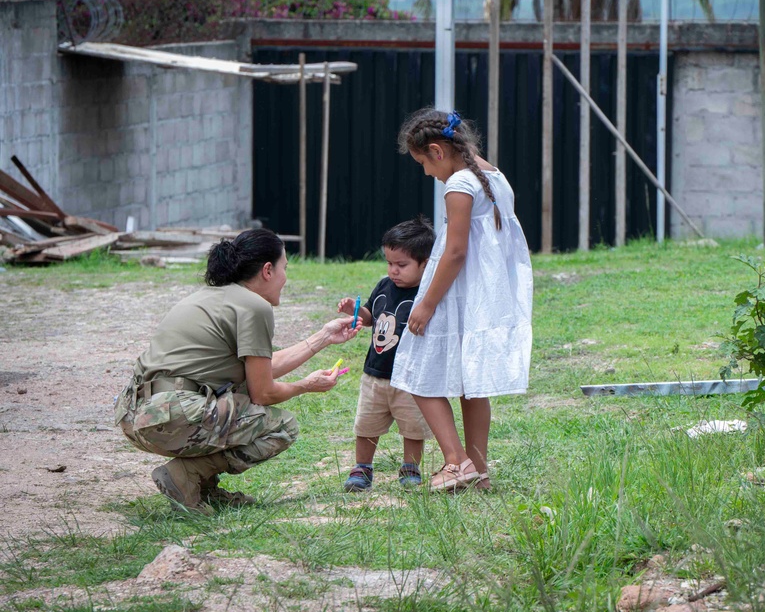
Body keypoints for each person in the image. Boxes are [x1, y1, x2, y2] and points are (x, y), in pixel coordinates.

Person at [114, 228, 359, 514]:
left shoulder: (214, 296)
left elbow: (259, 371)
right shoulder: (254, 306)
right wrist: (305, 385)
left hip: (137, 415)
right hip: (170, 418)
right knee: (281, 427)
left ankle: (202, 490)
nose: (285, 278)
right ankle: (187, 475)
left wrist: (323, 338)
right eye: (284, 268)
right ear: (268, 270)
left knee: (235, 395)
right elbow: (264, 392)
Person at [391, 108, 533, 492]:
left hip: (455, 292)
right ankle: (480, 472)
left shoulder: (459, 184)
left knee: (416, 372)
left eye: (422, 162)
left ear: (437, 151)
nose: (425, 172)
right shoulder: (494, 177)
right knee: (473, 384)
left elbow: (455, 253)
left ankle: (456, 462)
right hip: (483, 295)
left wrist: (426, 304)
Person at [337, 217, 437, 492]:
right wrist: (355, 312)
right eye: (390, 263)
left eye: (401, 265)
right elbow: (370, 316)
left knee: (413, 427)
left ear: (425, 263)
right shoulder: (383, 285)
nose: (393, 271)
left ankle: (410, 467)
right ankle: (362, 467)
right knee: (366, 424)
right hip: (375, 374)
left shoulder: (427, 295)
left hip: (409, 377)